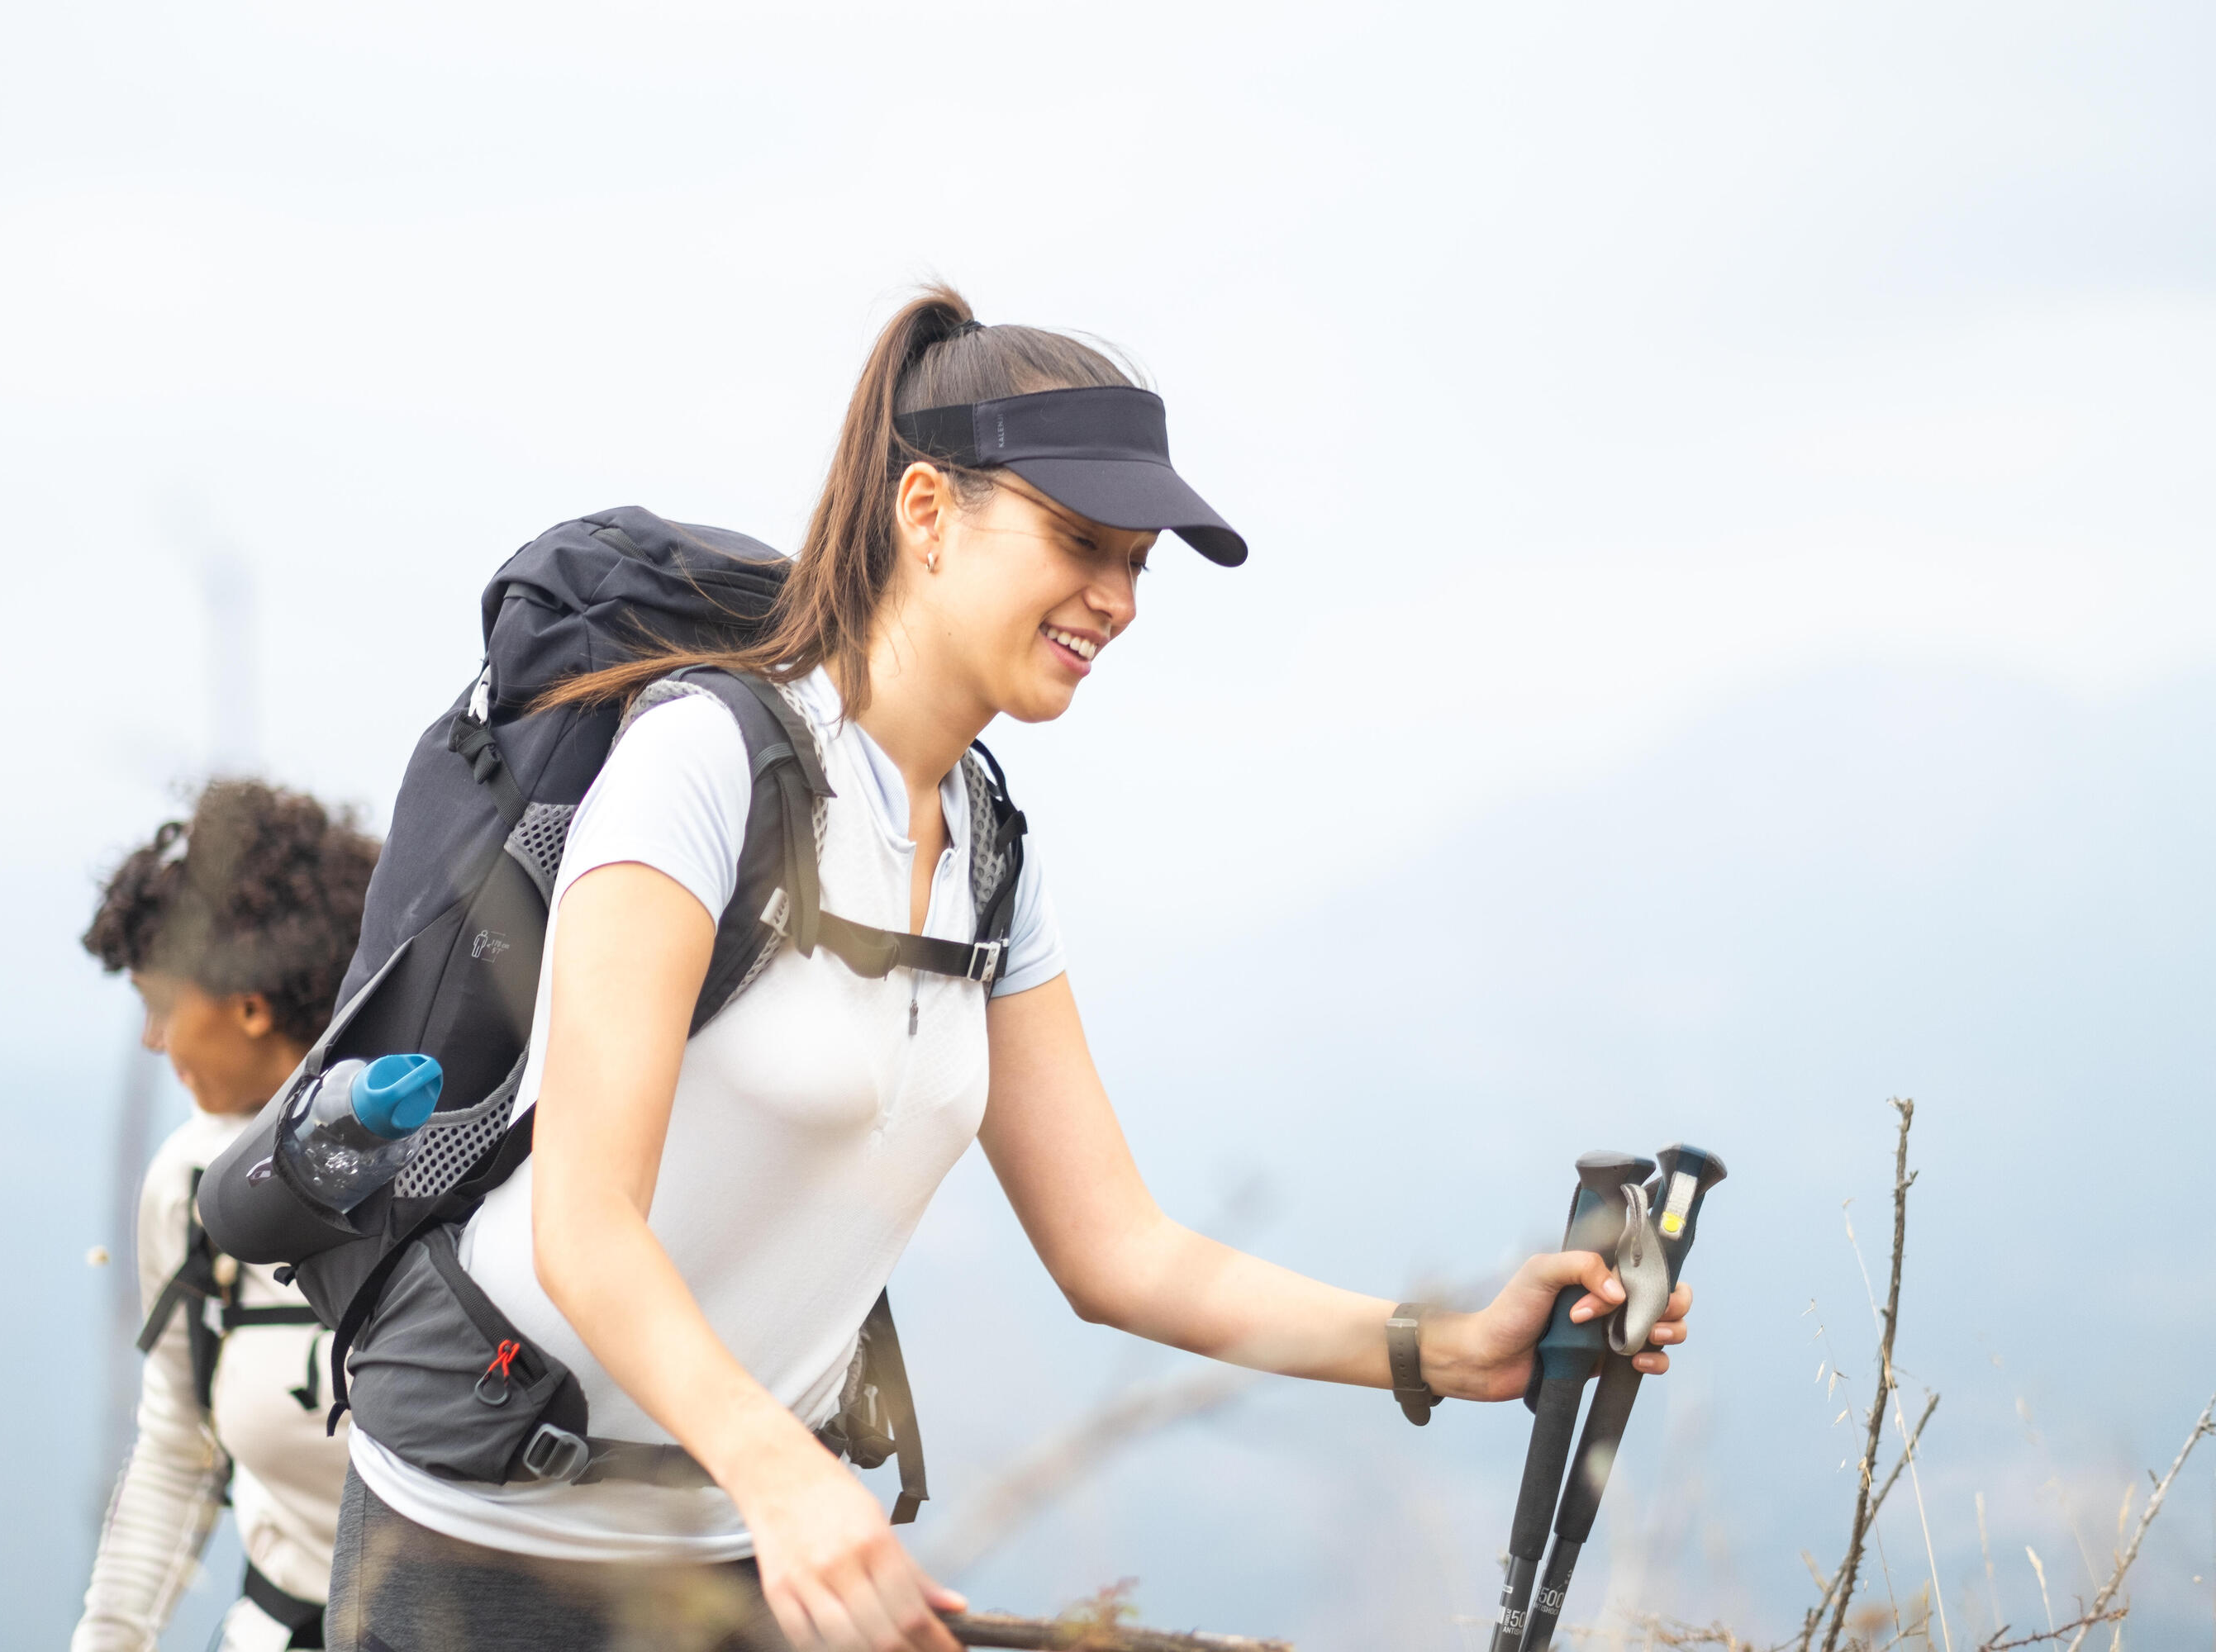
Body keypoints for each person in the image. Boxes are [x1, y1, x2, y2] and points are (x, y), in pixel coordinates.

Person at [326, 287, 1695, 1652]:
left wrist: (1445, 1348)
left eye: (1140, 562)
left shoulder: (986, 849)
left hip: (749, 1553)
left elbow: (1119, 1251)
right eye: (1079, 541)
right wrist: (788, 1474)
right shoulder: (703, 766)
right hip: (487, 1540)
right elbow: (585, 1224)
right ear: (927, 513)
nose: (1116, 598)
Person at [75, 780, 380, 1652]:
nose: (154, 1040)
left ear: (250, 1002)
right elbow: (180, 1442)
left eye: (163, 1003)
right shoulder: (190, 1182)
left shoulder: (443, 1160)